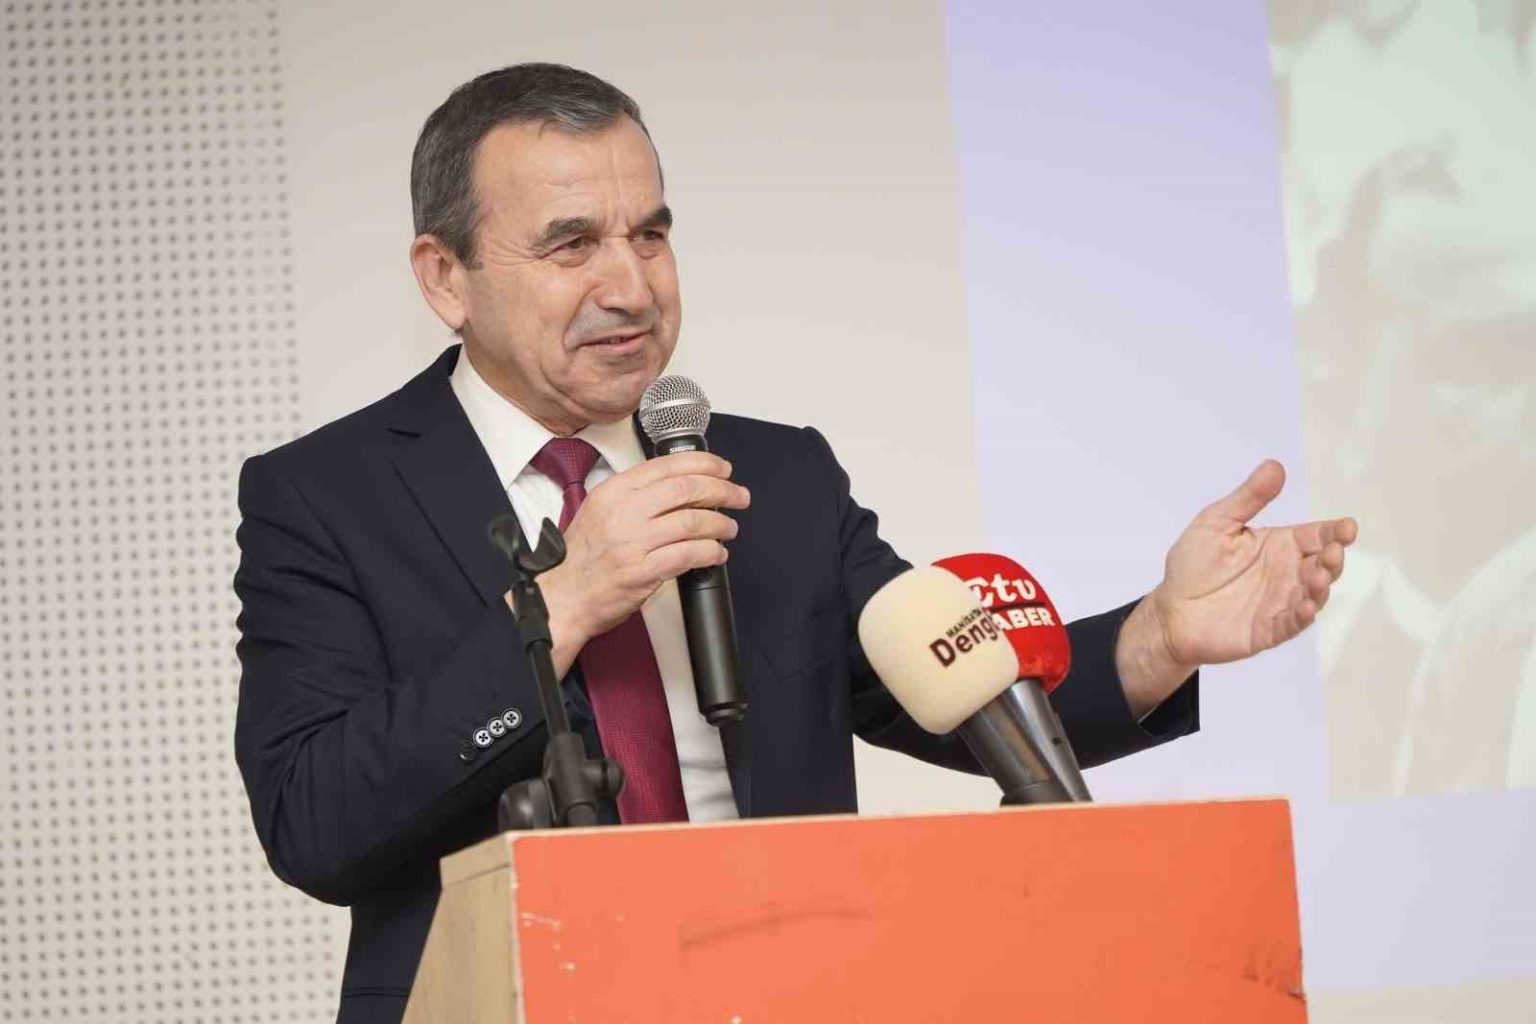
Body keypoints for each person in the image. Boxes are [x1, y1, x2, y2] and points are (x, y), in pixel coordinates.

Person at [233, 63, 1357, 1024]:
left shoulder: (775, 475)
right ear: (447, 278)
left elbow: (948, 683)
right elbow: (315, 823)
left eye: (651, 234)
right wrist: (565, 605)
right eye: (572, 244)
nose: (631, 286)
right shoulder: (327, 497)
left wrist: (1160, 637)